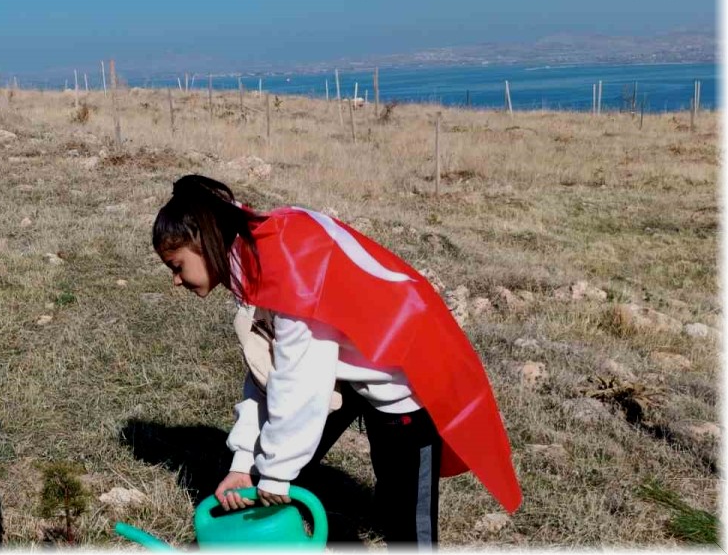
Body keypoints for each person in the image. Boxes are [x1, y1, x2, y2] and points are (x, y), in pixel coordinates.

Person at [151, 175, 521, 548]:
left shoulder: (285, 264)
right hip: (353, 370)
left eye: (176, 265)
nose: (176, 281)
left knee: (406, 525)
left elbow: (302, 381)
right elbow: (267, 374)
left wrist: (275, 475)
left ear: (203, 240)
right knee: (283, 468)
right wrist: (244, 464)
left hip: (406, 378)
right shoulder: (249, 257)